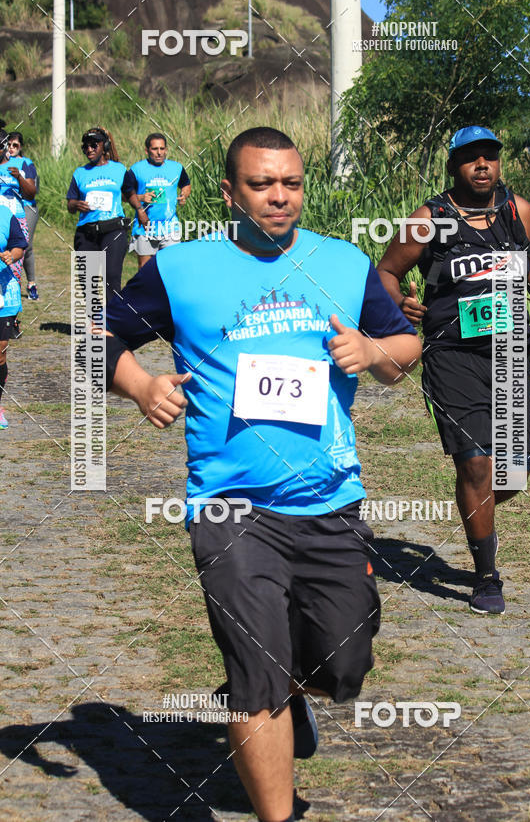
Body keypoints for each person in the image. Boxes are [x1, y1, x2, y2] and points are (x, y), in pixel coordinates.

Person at [105, 127, 422, 822]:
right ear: (227, 192)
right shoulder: (181, 269)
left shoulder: (342, 262)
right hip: (230, 506)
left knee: (344, 667)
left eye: (291, 183)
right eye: (260, 184)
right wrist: (139, 384)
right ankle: (281, 806)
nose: (279, 197)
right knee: (256, 673)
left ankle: (297, 694)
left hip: (330, 500)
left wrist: (372, 349)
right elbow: (101, 337)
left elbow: (405, 347)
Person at [377, 125, 530, 615]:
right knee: (477, 462)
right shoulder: (430, 218)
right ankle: (486, 577)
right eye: (471, 158)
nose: (482, 165)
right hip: (452, 353)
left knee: (513, 473)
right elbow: (385, 273)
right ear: (453, 166)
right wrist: (401, 304)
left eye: (490, 157)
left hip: (508, 352)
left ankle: (472, 503)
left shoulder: (518, 211)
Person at [66, 127, 129, 303]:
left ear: (104, 146)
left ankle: (112, 324)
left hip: (113, 229)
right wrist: (76, 204)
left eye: (94, 145)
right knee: (87, 280)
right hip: (87, 231)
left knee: (111, 277)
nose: (89, 149)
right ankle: (93, 323)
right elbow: (70, 205)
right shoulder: (79, 173)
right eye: (85, 146)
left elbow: (128, 195)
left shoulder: (119, 169)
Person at [125, 132, 191, 268]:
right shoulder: (136, 170)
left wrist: (184, 194)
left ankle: (166, 290)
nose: (159, 153)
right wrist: (141, 197)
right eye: (155, 149)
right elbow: (124, 196)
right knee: (145, 269)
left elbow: (186, 184)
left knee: (171, 267)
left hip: (170, 227)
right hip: (144, 227)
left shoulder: (176, 168)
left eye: (162, 149)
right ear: (147, 150)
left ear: (166, 149)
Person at [0, 196, 28, 429]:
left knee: (0, 351)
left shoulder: (6, 214)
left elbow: (20, 245)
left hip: (3, 293)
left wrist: (12, 254)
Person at [0, 128, 35, 290]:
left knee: (13, 267)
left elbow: (30, 194)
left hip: (17, 220)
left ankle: (10, 312)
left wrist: (19, 178)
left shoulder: (21, 164)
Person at [7, 132, 39, 300]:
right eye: (9, 145)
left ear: (21, 147)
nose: (11, 148)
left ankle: (31, 283)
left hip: (26, 207)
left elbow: (32, 191)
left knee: (25, 245)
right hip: (6, 208)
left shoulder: (26, 163)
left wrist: (19, 177)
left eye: (15, 145)